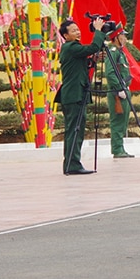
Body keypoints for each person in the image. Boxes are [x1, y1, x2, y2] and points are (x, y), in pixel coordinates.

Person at [55, 16, 107, 175]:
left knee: (75, 130)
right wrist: (98, 31)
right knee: (74, 130)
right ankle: (72, 164)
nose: (77, 32)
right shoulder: (71, 47)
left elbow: (81, 65)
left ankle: (72, 163)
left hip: (75, 94)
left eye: (78, 29)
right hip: (73, 95)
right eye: (73, 31)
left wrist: (93, 59)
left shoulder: (72, 49)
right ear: (65, 35)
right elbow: (92, 47)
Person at [104, 26, 135, 159]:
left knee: (123, 122)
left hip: (123, 91)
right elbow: (110, 73)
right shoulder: (113, 51)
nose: (125, 38)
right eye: (123, 35)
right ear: (116, 37)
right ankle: (117, 149)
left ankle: (120, 148)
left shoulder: (120, 52)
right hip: (117, 92)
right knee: (117, 122)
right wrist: (118, 88)